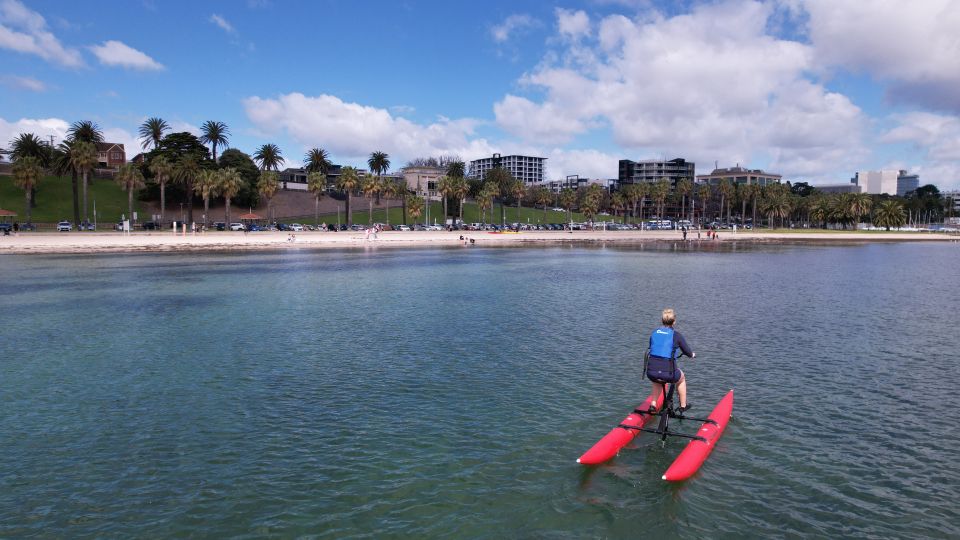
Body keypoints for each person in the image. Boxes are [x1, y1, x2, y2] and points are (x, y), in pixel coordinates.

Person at [646, 308, 695, 413]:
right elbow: (687, 352)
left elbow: (652, 348)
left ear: (662, 320)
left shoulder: (654, 333)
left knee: (657, 380)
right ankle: (683, 406)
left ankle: (653, 405)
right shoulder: (676, 335)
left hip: (651, 372)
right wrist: (692, 355)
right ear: (674, 321)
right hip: (668, 374)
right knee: (681, 377)